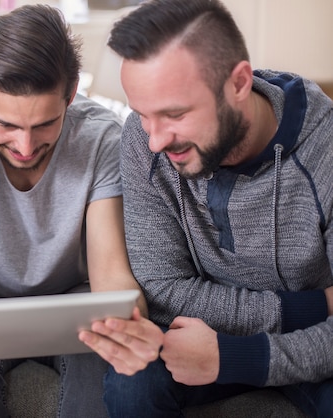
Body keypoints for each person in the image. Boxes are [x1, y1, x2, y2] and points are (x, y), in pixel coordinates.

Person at [0, 4, 163, 418]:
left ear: (71, 92)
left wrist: (126, 321)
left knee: (100, 387)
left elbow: (112, 277)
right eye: (6, 124)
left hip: (74, 307)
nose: (25, 146)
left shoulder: (102, 140)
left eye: (45, 124)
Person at [92, 0, 333, 416]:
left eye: (175, 114)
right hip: (215, 329)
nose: (155, 140)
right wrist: (316, 305)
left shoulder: (324, 147)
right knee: (133, 384)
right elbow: (162, 286)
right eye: (143, 114)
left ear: (238, 83)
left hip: (311, 341)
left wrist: (240, 356)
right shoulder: (142, 138)